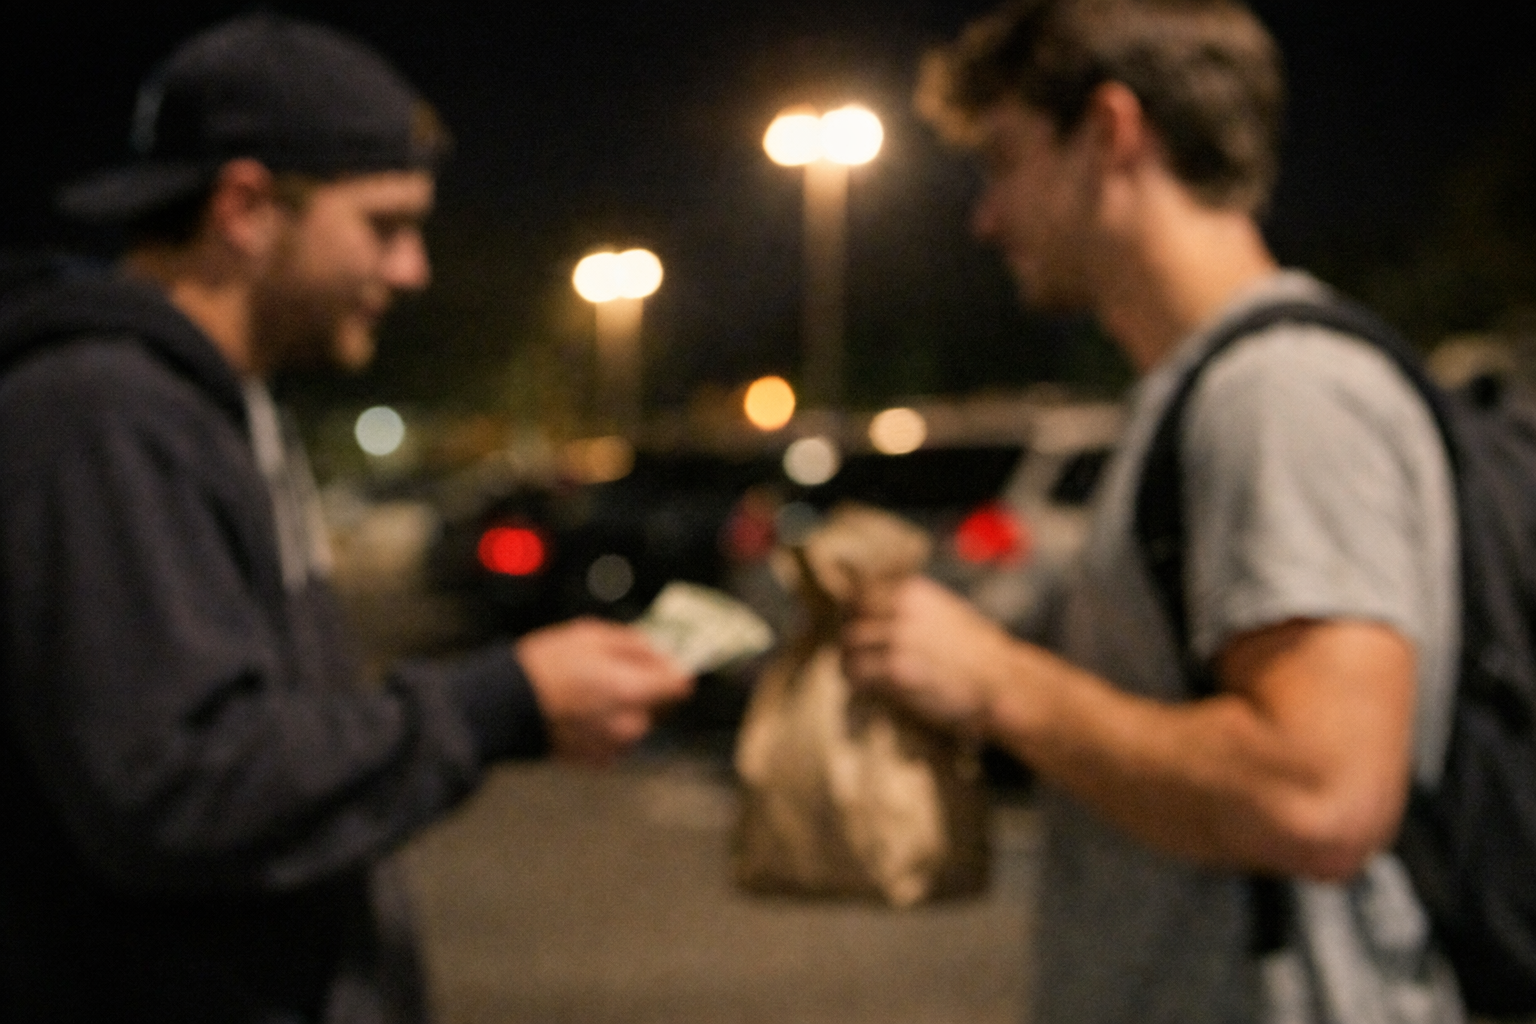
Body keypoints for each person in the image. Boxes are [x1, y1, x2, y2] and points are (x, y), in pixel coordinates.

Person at [0, 14, 691, 1023]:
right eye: (383, 224)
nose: (412, 269)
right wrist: (495, 702)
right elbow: (178, 784)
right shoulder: (102, 417)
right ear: (245, 207)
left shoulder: (213, 406)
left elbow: (260, 726)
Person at [841, 1, 1468, 1021]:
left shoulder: (1282, 394)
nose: (986, 217)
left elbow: (1319, 795)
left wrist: (996, 680)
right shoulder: (1196, 392)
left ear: (1111, 134)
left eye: (1003, 160)